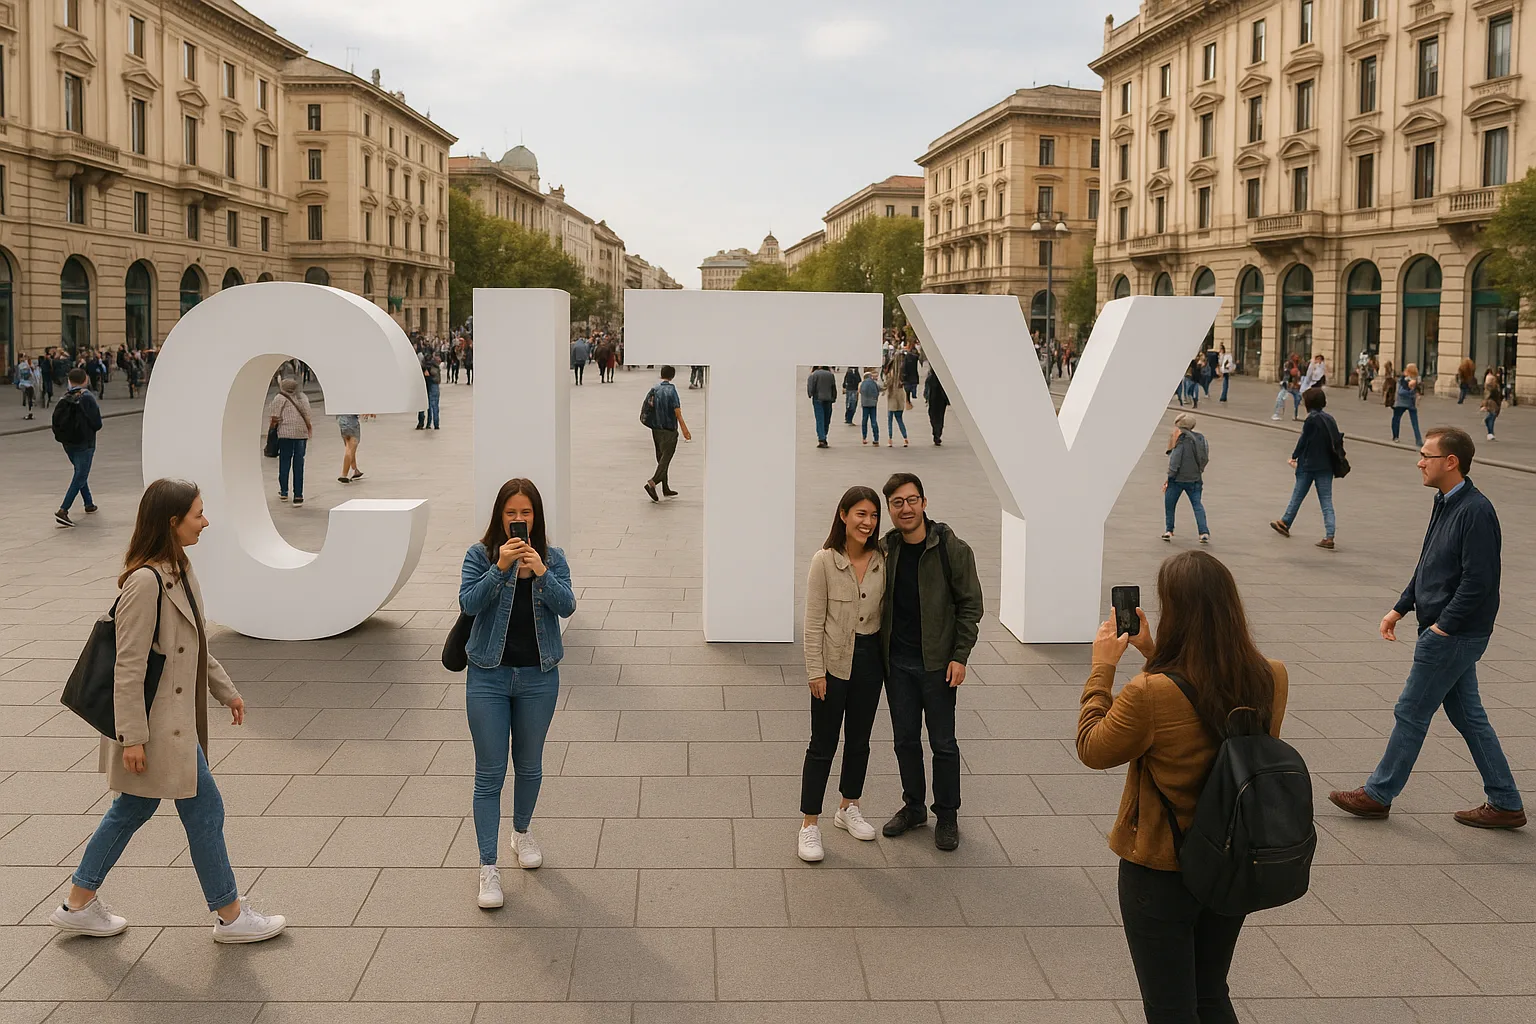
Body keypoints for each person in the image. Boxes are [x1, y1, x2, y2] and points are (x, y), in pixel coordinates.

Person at [51, 479, 287, 943]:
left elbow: (194, 644)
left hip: (173, 725)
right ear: (172, 522)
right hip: (157, 729)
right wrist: (132, 738)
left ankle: (77, 902)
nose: (206, 521)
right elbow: (128, 665)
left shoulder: (178, 567)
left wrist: (226, 691)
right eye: (198, 514)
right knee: (203, 810)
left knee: (133, 810)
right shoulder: (145, 581)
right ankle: (231, 915)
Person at [1078, 550, 1289, 1024]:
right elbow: (1207, 702)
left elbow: (1093, 747)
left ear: (1176, 614)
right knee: (1211, 992)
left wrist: (1102, 668)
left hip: (1161, 868)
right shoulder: (1270, 675)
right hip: (1231, 860)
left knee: (1170, 1008)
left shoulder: (1149, 693)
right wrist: (1156, 655)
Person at [1329, 428, 1525, 830]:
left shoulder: (1476, 511)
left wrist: (1442, 628)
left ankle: (1378, 794)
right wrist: (1400, 607)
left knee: (1411, 710)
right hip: (1446, 628)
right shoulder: (1446, 501)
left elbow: (1478, 581)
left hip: (1453, 634)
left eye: (1426, 456)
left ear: (1450, 462)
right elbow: (1429, 563)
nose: (1420, 462)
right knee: (1468, 715)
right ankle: (1505, 801)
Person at [460, 478, 577, 908]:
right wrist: (501, 569)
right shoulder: (480, 555)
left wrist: (540, 573)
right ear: (499, 516)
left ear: (537, 517)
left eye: (526, 513)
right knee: (489, 773)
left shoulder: (553, 557)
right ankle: (487, 867)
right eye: (511, 513)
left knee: (529, 766)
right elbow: (468, 603)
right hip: (488, 676)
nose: (518, 521)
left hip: (537, 677)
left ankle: (521, 832)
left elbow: (567, 606)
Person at [878, 473, 984, 851]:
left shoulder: (951, 549)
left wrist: (960, 656)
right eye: (896, 503)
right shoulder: (886, 549)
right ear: (889, 509)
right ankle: (914, 806)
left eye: (911, 500)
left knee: (943, 743)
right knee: (905, 740)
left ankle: (948, 815)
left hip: (938, 664)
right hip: (897, 666)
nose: (905, 508)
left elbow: (970, 605)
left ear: (924, 502)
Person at [798, 486, 886, 862]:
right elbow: (813, 621)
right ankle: (809, 825)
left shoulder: (883, 557)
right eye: (860, 514)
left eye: (873, 515)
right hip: (833, 664)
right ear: (843, 515)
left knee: (860, 740)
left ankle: (848, 806)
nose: (867, 522)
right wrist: (815, 672)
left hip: (871, 662)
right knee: (822, 745)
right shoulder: (825, 560)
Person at [1270, 387, 1340, 549]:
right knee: (1326, 501)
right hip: (1326, 466)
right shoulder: (1330, 419)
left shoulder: (1311, 420)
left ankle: (1286, 521)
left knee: (1298, 494)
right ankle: (1329, 536)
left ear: (1309, 403)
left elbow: (1304, 441)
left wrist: (1295, 455)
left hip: (1308, 464)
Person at [54, 368, 103, 528]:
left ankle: (88, 503)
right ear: (85, 380)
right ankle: (63, 510)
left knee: (80, 472)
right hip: (85, 443)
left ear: (69, 380)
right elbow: (97, 423)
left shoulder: (65, 397)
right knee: (80, 475)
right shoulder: (87, 397)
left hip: (68, 443)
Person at [644, 365, 689, 502]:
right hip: (669, 430)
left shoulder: (654, 389)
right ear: (672, 376)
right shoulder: (672, 390)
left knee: (661, 458)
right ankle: (652, 483)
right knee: (666, 458)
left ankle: (665, 487)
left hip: (656, 429)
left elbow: (648, 407)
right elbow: (677, 411)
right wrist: (684, 428)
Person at [1163, 413, 1209, 543]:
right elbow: (1205, 457)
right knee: (1197, 505)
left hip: (1177, 480)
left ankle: (1169, 530)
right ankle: (1203, 532)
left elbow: (1175, 460)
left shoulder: (1180, 439)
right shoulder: (1200, 438)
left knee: (1170, 505)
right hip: (1195, 478)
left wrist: (1170, 476)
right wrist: (1199, 470)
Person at [266, 377, 313, 507]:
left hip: (285, 434)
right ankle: (298, 495)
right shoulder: (303, 397)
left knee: (285, 462)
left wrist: (272, 429)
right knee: (299, 464)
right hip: (301, 434)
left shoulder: (280, 398)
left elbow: (275, 416)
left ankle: (284, 491)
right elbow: (308, 414)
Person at [807, 365, 837, 449]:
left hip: (818, 398)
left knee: (820, 419)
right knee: (827, 418)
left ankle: (821, 438)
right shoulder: (830, 375)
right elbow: (833, 387)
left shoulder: (813, 374)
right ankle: (824, 435)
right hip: (828, 398)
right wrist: (834, 397)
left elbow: (810, 387)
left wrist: (810, 394)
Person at [1393, 364, 1423, 446]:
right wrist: (1413, 392)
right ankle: (1418, 440)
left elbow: (1401, 392)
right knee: (1414, 422)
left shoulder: (1404, 379)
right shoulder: (1412, 379)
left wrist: (1412, 391)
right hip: (1408, 403)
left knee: (1396, 419)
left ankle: (1396, 437)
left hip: (1402, 403)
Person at [882, 362, 910, 448]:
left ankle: (890, 439)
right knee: (900, 420)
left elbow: (886, 385)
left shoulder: (891, 376)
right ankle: (905, 438)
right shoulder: (900, 376)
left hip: (892, 401)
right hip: (900, 401)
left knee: (890, 421)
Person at [337, 413, 366, 484]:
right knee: (350, 449)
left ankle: (354, 470)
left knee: (349, 447)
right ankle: (344, 474)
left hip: (342, 422)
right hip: (352, 424)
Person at [924, 367, 949, 446]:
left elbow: (927, 390)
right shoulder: (944, 378)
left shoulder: (930, 378)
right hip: (942, 401)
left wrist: (926, 398)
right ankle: (938, 433)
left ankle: (936, 433)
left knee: (933, 416)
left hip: (933, 400)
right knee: (940, 417)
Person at [858, 369, 881, 446]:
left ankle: (864, 438)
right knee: (874, 421)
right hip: (873, 404)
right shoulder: (874, 383)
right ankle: (876, 439)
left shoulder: (862, 383)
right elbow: (879, 389)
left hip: (865, 404)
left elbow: (860, 391)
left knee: (864, 420)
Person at [1482, 368, 1502, 441]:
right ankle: (1490, 433)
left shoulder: (1492, 388)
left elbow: (1488, 396)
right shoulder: (1495, 388)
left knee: (1490, 418)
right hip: (1494, 404)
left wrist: (1484, 405)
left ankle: (1490, 433)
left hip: (1492, 404)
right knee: (1490, 419)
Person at [15, 355, 36, 420]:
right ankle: (30, 412)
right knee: (30, 399)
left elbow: (18, 375)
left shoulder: (20, 366)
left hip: (24, 384)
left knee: (27, 399)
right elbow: (33, 375)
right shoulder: (31, 365)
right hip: (30, 384)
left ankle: (29, 413)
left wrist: (17, 383)